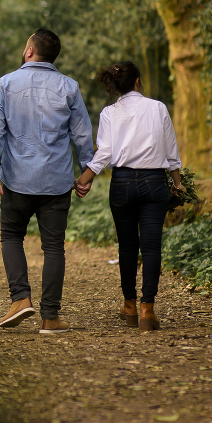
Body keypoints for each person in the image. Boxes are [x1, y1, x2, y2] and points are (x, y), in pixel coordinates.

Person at [0, 28, 93, 334]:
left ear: (30, 51)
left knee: (11, 236)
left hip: (17, 179)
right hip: (56, 182)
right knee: (54, 247)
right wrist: (87, 171)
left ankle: (20, 299)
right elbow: (82, 134)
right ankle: (50, 316)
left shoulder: (6, 84)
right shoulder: (69, 87)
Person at [73, 61, 185, 332]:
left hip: (122, 183)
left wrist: (83, 180)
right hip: (154, 183)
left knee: (126, 247)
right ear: (137, 82)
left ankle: (130, 306)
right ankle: (148, 310)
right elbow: (171, 152)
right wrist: (178, 184)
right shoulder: (158, 108)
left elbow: (105, 153)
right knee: (151, 247)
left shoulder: (110, 112)